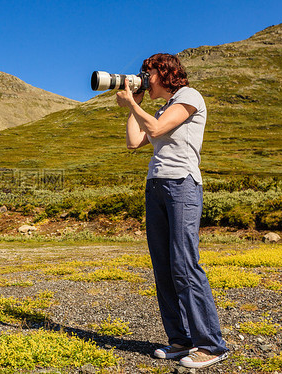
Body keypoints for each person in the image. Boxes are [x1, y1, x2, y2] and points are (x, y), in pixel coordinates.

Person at [115, 53, 229, 369]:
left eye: (146, 73)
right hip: (156, 186)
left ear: (164, 74)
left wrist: (134, 106)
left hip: (182, 185)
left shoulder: (188, 97)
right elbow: (133, 141)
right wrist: (133, 106)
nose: (143, 78)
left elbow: (158, 126)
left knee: (184, 263)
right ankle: (181, 340)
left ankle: (211, 344)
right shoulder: (160, 107)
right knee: (163, 266)